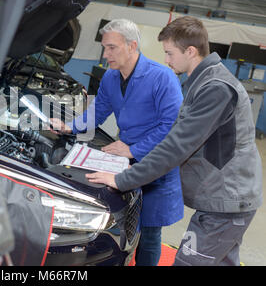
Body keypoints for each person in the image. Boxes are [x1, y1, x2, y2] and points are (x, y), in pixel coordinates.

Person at [86, 16, 263, 266]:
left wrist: (121, 179)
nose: (166, 60)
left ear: (190, 51)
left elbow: (176, 146)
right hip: (227, 200)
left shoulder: (215, 88)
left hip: (226, 204)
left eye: (169, 53)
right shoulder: (204, 81)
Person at [51, 19, 184, 266]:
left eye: (112, 47)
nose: (105, 54)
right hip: (123, 162)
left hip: (155, 163)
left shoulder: (162, 77)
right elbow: (98, 110)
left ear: (132, 46)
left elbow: (172, 126)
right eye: (105, 47)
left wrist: (134, 149)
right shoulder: (112, 78)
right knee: (124, 226)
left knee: (150, 235)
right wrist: (71, 126)